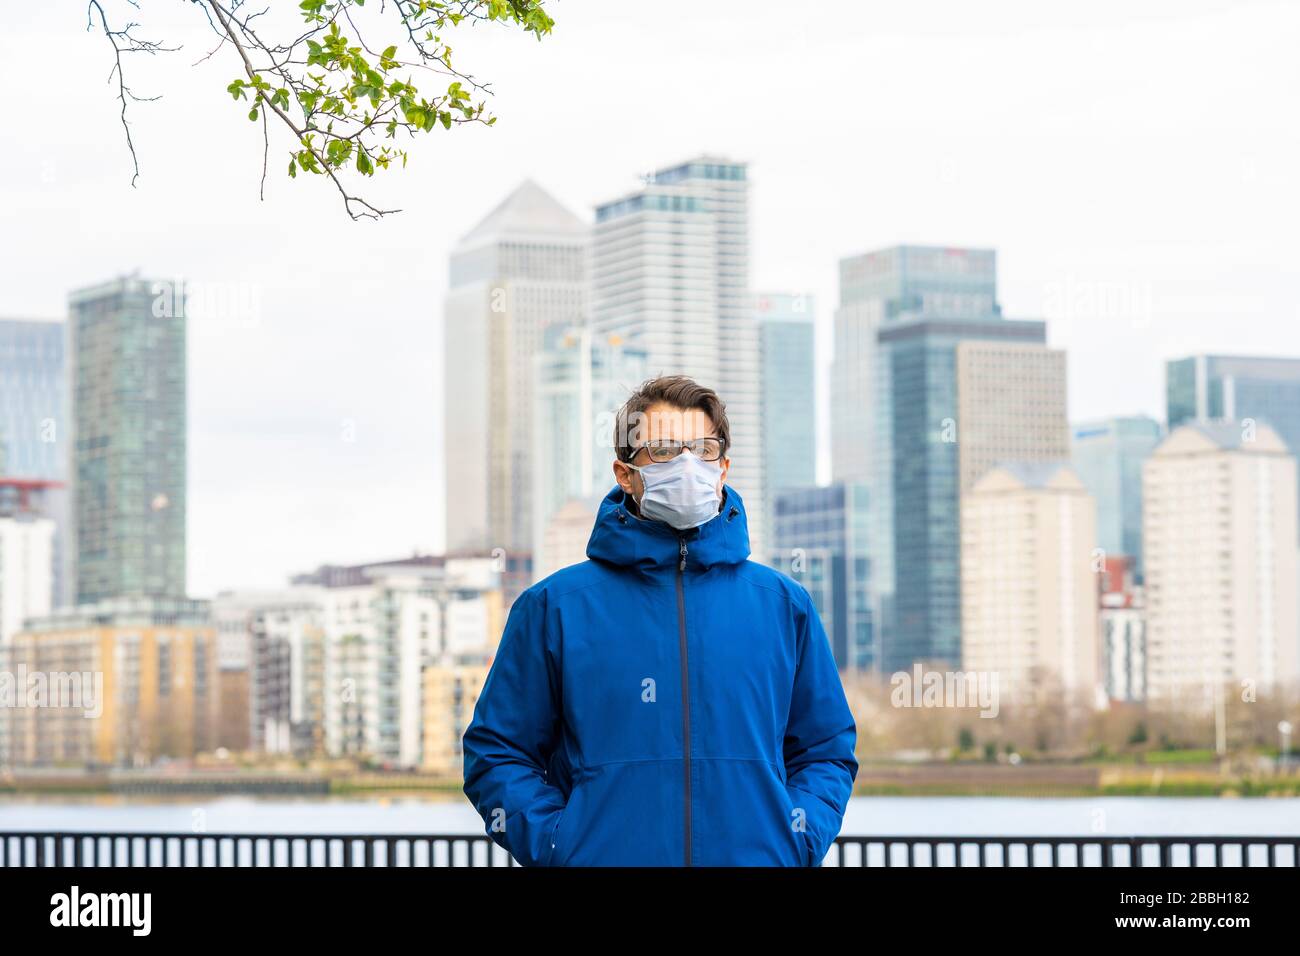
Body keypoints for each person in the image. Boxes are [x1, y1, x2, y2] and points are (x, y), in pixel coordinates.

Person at [462, 374, 859, 866]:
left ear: (724, 468)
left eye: (704, 449)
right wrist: (561, 846)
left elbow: (826, 750)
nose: (688, 464)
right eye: (666, 449)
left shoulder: (783, 605)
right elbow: (496, 752)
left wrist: (794, 841)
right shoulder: (554, 607)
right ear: (624, 473)